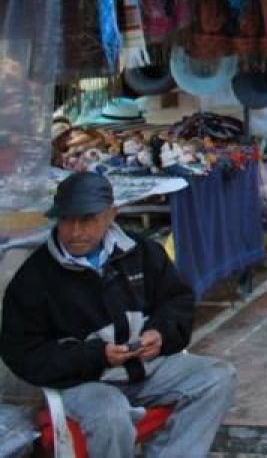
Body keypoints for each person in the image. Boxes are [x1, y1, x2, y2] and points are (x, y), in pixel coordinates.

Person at [0, 172, 237, 456]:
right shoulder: (35, 277)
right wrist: (96, 356)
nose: (75, 232)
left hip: (144, 368)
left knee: (217, 377)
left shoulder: (142, 252)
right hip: (84, 382)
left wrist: (160, 334)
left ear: (111, 214)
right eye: (66, 220)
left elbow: (177, 301)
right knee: (110, 417)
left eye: (87, 220)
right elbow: (23, 353)